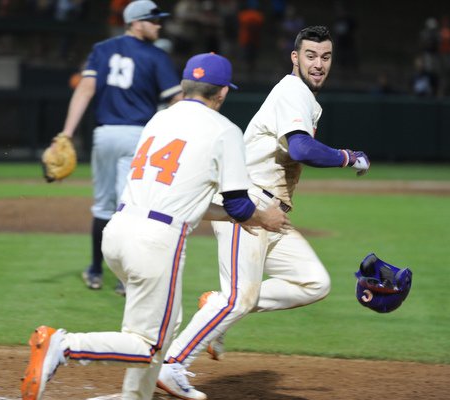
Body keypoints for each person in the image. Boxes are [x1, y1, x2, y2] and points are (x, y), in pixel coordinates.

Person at [20, 53, 289, 400]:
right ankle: (63, 346)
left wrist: (237, 217)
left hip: (118, 231)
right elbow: (239, 204)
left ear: (186, 86)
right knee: (147, 345)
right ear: (222, 93)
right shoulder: (225, 130)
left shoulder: (158, 120)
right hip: (156, 243)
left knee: (164, 326)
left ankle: (136, 396)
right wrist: (264, 216)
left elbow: (185, 199)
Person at [155, 26, 371, 400]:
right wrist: (346, 157)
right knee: (239, 298)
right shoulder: (292, 91)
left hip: (275, 212)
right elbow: (302, 149)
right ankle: (173, 363)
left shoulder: (301, 95)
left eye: (325, 57)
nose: (318, 64)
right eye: (310, 56)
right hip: (251, 205)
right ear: (295, 57)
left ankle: (217, 308)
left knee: (314, 283)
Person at [54, 0, 183, 295]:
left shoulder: (101, 49)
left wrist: (67, 132)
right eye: (153, 20)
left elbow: (85, 90)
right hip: (140, 136)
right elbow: (176, 100)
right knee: (131, 208)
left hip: (104, 135)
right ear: (136, 22)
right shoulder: (156, 55)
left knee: (102, 206)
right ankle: (124, 278)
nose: (158, 25)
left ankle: (95, 271)